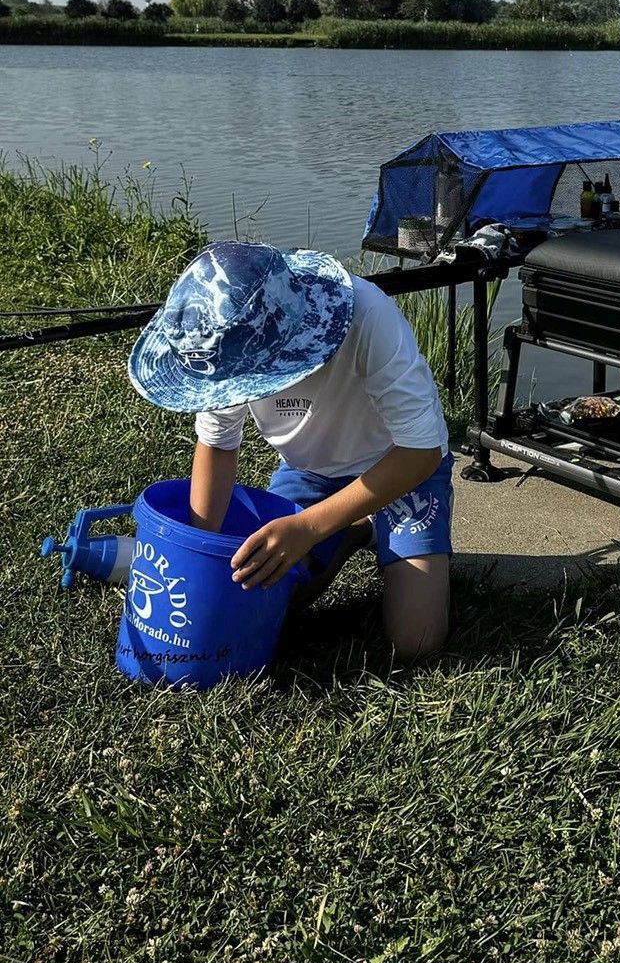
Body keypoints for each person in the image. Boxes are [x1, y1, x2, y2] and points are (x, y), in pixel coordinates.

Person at [128, 241, 452, 660]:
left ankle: (357, 522)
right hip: (310, 472)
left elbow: (421, 451)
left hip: (401, 470)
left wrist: (308, 528)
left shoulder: (368, 313)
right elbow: (217, 444)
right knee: (260, 604)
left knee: (417, 641)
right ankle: (355, 528)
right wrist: (203, 559)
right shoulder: (221, 343)